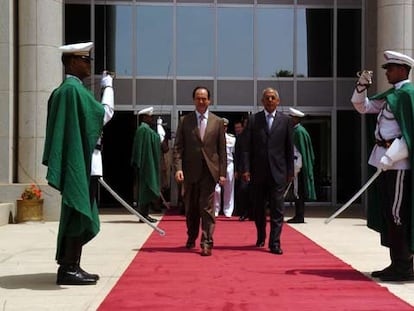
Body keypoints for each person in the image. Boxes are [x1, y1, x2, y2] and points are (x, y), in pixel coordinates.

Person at [42, 42, 114, 285]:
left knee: (75, 212)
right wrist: (109, 88)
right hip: (81, 165)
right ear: (73, 62)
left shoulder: (64, 90)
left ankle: (71, 264)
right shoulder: (74, 90)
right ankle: (69, 268)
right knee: (77, 212)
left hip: (80, 162)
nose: (88, 65)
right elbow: (103, 115)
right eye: (85, 60)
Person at [351, 50, 414, 282]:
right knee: (389, 213)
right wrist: (361, 86)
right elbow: (362, 107)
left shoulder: (408, 95)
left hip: (399, 165)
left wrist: (392, 157)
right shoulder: (392, 95)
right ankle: (396, 263)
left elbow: (410, 135)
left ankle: (404, 266)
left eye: (390, 68)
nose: (386, 72)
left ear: (402, 70)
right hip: (384, 160)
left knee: (397, 214)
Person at [173, 86, 227, 256]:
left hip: (209, 172)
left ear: (209, 100)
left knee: (207, 208)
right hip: (190, 172)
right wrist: (178, 169)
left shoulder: (217, 122)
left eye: (204, 98)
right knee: (191, 208)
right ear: (194, 100)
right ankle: (191, 236)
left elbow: (222, 150)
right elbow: (178, 148)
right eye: (198, 98)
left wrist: (222, 173)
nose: (201, 101)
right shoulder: (185, 121)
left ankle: (206, 242)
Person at [241, 87, 294, 255]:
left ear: (278, 101)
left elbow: (288, 148)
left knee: (278, 209)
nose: (270, 100)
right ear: (262, 101)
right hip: (258, 172)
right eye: (267, 98)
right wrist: (246, 168)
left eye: (273, 98)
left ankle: (275, 243)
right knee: (258, 208)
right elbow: (246, 148)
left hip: (278, 172)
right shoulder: (254, 120)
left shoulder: (285, 121)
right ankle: (261, 234)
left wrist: (290, 171)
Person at [286, 107, 316, 224]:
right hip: (297, 167)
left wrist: (296, 169)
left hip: (298, 168)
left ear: (295, 119)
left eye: (291, 118)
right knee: (296, 192)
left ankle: (299, 216)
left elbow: (299, 153)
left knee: (298, 192)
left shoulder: (298, 132)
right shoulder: (297, 131)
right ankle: (298, 215)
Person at [131, 107, 161, 223]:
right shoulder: (143, 130)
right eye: (150, 116)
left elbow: (155, 139)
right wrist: (138, 163)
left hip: (148, 164)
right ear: (145, 117)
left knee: (147, 190)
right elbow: (138, 147)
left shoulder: (147, 129)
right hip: (145, 165)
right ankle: (143, 214)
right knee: (144, 190)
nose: (152, 118)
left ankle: (145, 213)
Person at [214, 118, 236, 217]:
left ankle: (228, 210)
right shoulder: (213, 138)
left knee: (229, 188)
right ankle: (215, 209)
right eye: (222, 126)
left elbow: (235, 153)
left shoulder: (232, 138)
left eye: (225, 126)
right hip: (217, 165)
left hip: (229, 164)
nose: (223, 128)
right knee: (216, 189)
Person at [234, 119, 251, 221]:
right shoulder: (240, 137)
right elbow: (237, 155)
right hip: (242, 168)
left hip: (255, 169)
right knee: (243, 190)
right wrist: (236, 170)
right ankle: (243, 212)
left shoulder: (256, 135)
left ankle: (253, 212)